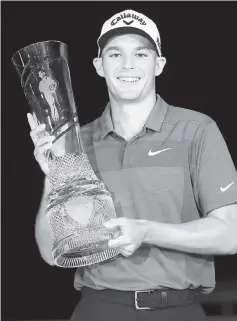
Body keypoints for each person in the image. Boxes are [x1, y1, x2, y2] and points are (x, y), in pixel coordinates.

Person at [27, 9, 237, 321]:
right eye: (115, 54)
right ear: (100, 66)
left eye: (141, 53)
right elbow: (52, 254)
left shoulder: (197, 130)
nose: (128, 65)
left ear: (159, 64)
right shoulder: (76, 143)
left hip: (178, 311)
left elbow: (230, 235)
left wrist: (146, 232)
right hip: (98, 310)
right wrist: (53, 176)